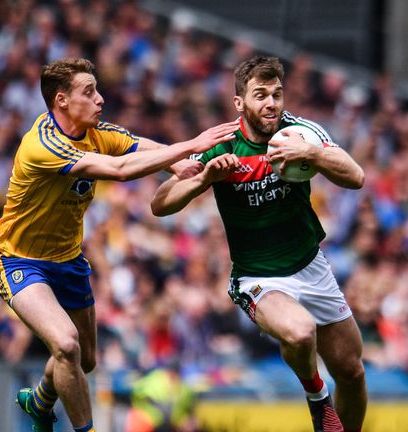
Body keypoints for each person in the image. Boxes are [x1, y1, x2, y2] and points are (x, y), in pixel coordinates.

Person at [0, 58, 238, 432]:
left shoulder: (96, 131)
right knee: (66, 345)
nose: (100, 99)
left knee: (84, 359)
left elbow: (137, 145)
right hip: (17, 259)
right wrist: (191, 145)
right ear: (62, 101)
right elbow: (119, 170)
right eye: (89, 92)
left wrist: (178, 165)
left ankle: (39, 401)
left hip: (68, 260)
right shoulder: (42, 144)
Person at [151, 55, 367, 432]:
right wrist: (204, 180)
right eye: (261, 95)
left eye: (277, 95)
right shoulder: (220, 144)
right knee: (300, 332)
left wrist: (312, 154)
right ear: (240, 102)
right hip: (259, 279)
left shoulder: (299, 133)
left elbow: (356, 176)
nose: (271, 103)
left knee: (351, 370)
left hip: (311, 266)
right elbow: (160, 203)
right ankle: (318, 400)